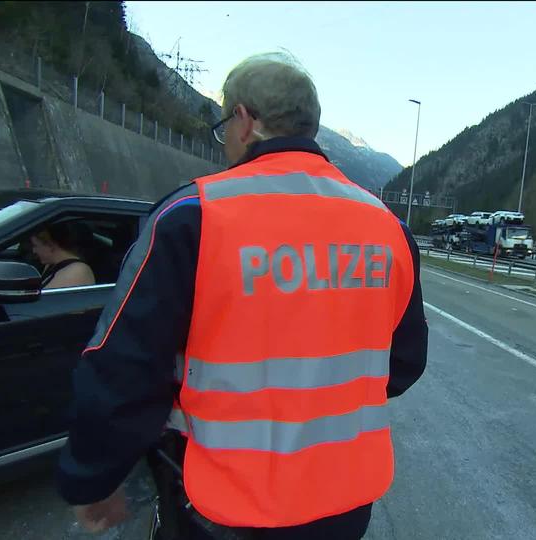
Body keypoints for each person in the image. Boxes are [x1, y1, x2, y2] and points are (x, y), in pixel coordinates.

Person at [56, 51, 428, 539]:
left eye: (224, 126)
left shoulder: (193, 215)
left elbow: (123, 365)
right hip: (344, 501)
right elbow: (403, 362)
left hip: (223, 506)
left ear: (245, 120)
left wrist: (94, 476)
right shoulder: (388, 228)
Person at [30, 221, 96, 289]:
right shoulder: (51, 265)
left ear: (50, 245)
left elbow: (47, 298)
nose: (34, 251)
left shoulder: (77, 270)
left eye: (35, 246)